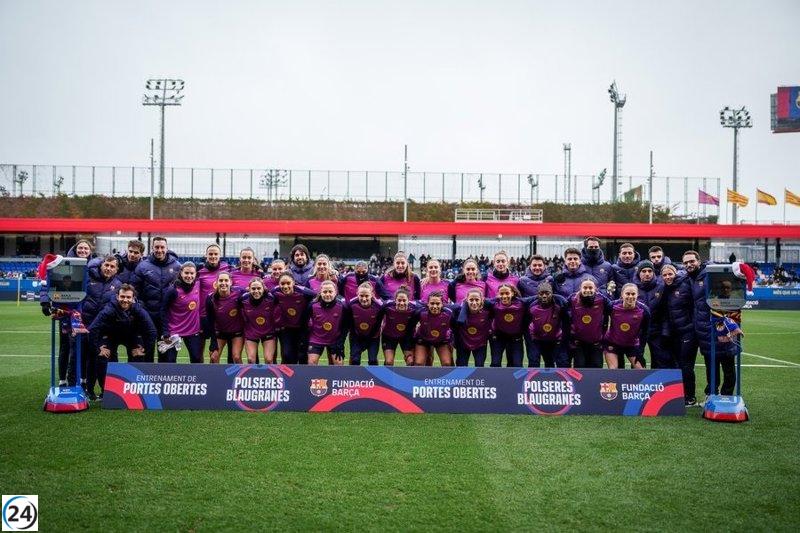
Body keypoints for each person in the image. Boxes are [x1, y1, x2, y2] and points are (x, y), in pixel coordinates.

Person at [684, 250, 737, 399]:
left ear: (699, 261)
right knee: (711, 366)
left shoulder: (710, 274)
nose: (689, 264)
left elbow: (729, 280)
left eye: (692, 261)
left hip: (721, 326)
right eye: (686, 262)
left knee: (728, 365)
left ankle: (727, 397)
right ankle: (712, 395)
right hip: (704, 331)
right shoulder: (688, 278)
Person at [89, 284, 157, 398]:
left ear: (133, 298)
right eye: (122, 296)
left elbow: (152, 331)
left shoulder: (139, 309)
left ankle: (135, 390)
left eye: (128, 297)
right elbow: (93, 328)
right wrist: (97, 349)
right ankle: (106, 392)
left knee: (138, 356)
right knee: (103, 357)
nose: (125, 300)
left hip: (131, 335)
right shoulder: (109, 309)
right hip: (111, 335)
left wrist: (144, 350)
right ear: (117, 296)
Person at [79, 254, 121, 399]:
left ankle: (106, 391)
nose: (108, 268)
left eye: (112, 266)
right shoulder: (88, 280)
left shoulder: (119, 285)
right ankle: (88, 390)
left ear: (116, 269)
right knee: (89, 358)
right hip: (87, 326)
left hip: (106, 329)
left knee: (106, 357)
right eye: (106, 265)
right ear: (101, 266)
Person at [132, 236, 180, 362]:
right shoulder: (142, 266)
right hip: (147, 315)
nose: (159, 250)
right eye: (157, 247)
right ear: (152, 248)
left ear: (167, 248)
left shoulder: (176, 267)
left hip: (168, 318)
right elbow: (134, 290)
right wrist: (141, 307)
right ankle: (147, 380)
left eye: (162, 247)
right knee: (147, 351)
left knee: (165, 352)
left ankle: (164, 380)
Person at [661, 263, 699, 406]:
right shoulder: (664, 289)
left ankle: (690, 396)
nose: (667, 277)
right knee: (676, 364)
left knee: (686, 365)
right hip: (673, 333)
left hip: (688, 331)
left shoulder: (685, 284)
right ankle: (677, 395)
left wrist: (692, 326)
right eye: (664, 275)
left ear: (675, 273)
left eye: (670, 274)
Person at [160, 262, 204, 364]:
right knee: (170, 361)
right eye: (186, 273)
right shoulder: (173, 290)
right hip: (174, 331)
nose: (189, 276)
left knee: (196, 358)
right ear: (181, 273)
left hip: (193, 330)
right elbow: (163, 310)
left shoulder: (198, 283)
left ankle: (196, 380)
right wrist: (165, 331)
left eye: (192, 273)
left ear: (196, 274)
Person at [566, 278, 612, 368]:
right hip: (578, 342)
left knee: (596, 367)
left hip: (596, 342)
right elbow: (563, 311)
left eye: (590, 288)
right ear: (580, 288)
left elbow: (613, 309)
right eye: (585, 288)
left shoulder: (602, 299)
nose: (587, 290)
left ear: (595, 289)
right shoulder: (572, 298)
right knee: (580, 366)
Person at [604, 283, 650, 369]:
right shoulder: (612, 306)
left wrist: (640, 351)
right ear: (622, 295)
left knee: (640, 370)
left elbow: (645, 332)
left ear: (637, 295)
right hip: (612, 343)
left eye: (633, 294)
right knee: (613, 370)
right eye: (627, 294)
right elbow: (603, 321)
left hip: (632, 345)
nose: (630, 296)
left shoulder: (644, 311)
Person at [272, 273, 315, 364]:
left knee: (302, 355)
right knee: (287, 354)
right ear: (279, 284)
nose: (285, 286)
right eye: (282, 284)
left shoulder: (304, 292)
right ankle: (290, 376)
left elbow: (317, 297)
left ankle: (303, 376)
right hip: (287, 328)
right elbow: (266, 296)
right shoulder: (275, 292)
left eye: (288, 283)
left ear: (293, 283)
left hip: (303, 328)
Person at [196, 243, 230, 359]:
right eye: (210, 254)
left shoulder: (227, 268)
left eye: (216, 254)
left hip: (221, 315)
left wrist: (257, 267)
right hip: (203, 315)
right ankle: (199, 373)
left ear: (220, 255)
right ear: (206, 255)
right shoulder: (200, 271)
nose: (213, 256)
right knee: (199, 351)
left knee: (216, 351)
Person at [526, 282, 569, 368]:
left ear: (552, 293)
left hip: (556, 338)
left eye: (547, 293)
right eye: (541, 294)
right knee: (536, 361)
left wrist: (564, 339)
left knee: (563, 362)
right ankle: (534, 380)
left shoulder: (560, 305)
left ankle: (564, 381)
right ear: (537, 295)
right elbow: (526, 323)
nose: (544, 296)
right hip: (538, 339)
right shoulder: (532, 307)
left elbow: (566, 323)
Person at [634, 260, 669, 368]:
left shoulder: (661, 287)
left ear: (653, 272)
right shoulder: (632, 288)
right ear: (639, 273)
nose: (647, 273)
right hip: (638, 331)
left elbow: (665, 312)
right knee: (637, 360)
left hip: (657, 330)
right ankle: (637, 383)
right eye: (644, 271)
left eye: (650, 271)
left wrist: (665, 330)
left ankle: (658, 383)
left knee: (660, 360)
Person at [205, 272, 244, 364]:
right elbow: (210, 321)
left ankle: (239, 377)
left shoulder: (239, 292)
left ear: (231, 282)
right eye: (221, 280)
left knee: (236, 357)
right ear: (216, 283)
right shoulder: (210, 298)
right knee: (213, 357)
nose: (223, 283)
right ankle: (215, 378)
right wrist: (213, 341)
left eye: (226, 280)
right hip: (220, 332)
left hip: (237, 332)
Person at [306, 280, 348, 365]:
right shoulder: (312, 305)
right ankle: (315, 379)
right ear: (320, 292)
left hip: (335, 340)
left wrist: (340, 343)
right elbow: (305, 322)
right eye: (325, 292)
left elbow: (345, 327)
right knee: (311, 363)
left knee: (339, 364)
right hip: (316, 339)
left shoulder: (342, 306)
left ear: (335, 292)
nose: (327, 294)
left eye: (330, 291)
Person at [487, 283, 529, 367]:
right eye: (501, 294)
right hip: (498, 337)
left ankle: (515, 380)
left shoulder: (521, 303)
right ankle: (494, 379)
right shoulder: (494, 304)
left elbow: (536, 298)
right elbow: (480, 300)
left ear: (513, 293)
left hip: (515, 337)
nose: (504, 296)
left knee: (517, 364)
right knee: (495, 363)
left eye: (507, 293)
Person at [240, 277, 279, 364]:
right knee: (250, 360)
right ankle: (252, 376)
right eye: (253, 289)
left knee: (269, 360)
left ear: (263, 288)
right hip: (251, 332)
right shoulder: (243, 299)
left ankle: (270, 377)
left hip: (268, 332)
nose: (256, 291)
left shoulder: (271, 298)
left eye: (259, 288)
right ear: (249, 289)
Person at [413, 291, 454, 366]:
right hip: (423, 339)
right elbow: (411, 325)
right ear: (428, 304)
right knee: (419, 363)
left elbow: (455, 328)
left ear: (442, 304)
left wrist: (452, 342)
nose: (435, 306)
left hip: (442, 340)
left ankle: (445, 378)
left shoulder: (449, 313)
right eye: (432, 303)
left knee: (447, 364)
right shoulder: (420, 313)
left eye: (438, 304)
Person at [346, 282, 383, 365]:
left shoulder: (379, 306)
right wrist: (357, 335)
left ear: (372, 294)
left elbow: (378, 325)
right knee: (355, 360)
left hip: (373, 336)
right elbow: (351, 324)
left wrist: (369, 336)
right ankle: (354, 377)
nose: (364, 298)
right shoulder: (351, 305)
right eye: (361, 296)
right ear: (357, 294)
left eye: (367, 296)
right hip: (356, 336)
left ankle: (375, 376)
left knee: (372, 360)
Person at [380, 287, 418, 366]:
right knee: (389, 362)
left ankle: (408, 378)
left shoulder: (415, 308)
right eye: (399, 300)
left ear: (408, 300)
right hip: (389, 336)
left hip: (406, 337)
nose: (401, 303)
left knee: (410, 361)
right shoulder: (387, 306)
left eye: (404, 300)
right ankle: (388, 378)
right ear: (395, 300)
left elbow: (426, 306)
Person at [454, 288, 491, 367]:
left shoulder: (488, 313)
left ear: (482, 300)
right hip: (463, 344)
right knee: (461, 367)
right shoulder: (458, 312)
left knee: (479, 366)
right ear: (466, 300)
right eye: (471, 299)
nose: (474, 302)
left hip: (480, 344)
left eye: (477, 300)